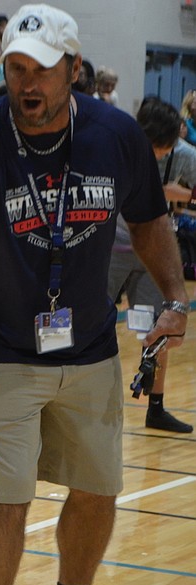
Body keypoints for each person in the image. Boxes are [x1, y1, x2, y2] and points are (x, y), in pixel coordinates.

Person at [0, 5, 189, 585]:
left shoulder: (114, 133)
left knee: (98, 486)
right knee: (8, 494)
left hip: (87, 345)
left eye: (40, 69)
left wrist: (175, 297)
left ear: (73, 70)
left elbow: (148, 220)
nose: (26, 83)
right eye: (15, 68)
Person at [109, 96, 194, 434]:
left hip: (151, 252)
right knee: (93, 321)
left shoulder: (184, 154)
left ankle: (155, 407)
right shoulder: (118, 145)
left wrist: (183, 195)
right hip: (112, 248)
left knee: (159, 327)